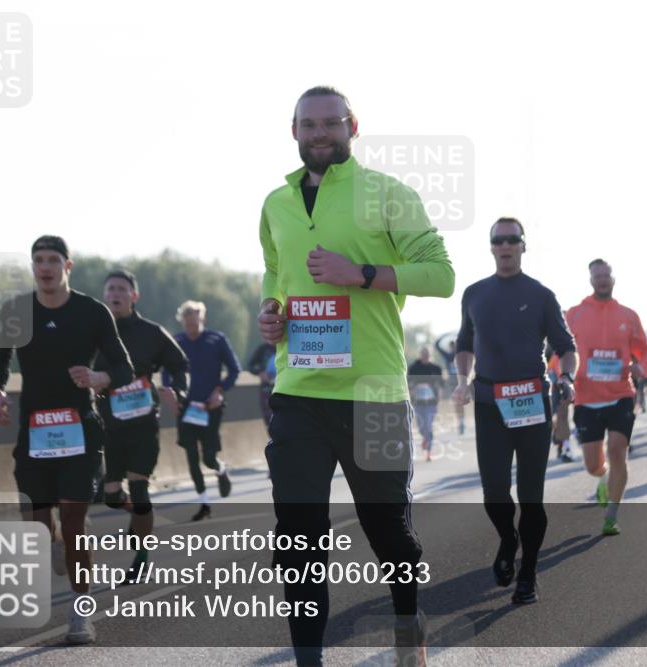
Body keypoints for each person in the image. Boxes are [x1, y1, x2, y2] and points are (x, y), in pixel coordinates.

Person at [257, 85, 454, 666]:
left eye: (331, 123)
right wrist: (271, 313)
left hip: (375, 393)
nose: (320, 133)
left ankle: (406, 626)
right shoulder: (274, 203)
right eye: (308, 124)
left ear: (352, 127)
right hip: (298, 392)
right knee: (299, 542)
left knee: (388, 532)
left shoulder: (387, 194)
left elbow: (440, 275)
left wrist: (359, 272)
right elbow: (275, 271)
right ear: (293, 131)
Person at [0, 235, 135, 645]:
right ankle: (53, 539)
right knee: (39, 528)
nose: (45, 266)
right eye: (38, 260)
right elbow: (0, 360)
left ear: (67, 266)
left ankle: (80, 615)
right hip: (34, 432)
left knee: (74, 520)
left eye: (54, 259)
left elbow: (122, 368)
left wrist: (100, 378)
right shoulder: (17, 311)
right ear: (33, 266)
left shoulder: (92, 312)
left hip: (81, 430)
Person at [453, 217, 576, 604]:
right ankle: (509, 539)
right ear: (491, 247)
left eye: (512, 240)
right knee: (494, 494)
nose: (505, 246)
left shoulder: (541, 295)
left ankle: (528, 574)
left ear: (523, 246)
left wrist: (567, 377)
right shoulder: (474, 294)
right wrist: (462, 378)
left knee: (531, 496)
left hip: (532, 404)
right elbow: (464, 342)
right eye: (498, 240)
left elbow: (565, 345)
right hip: (490, 405)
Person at [93, 269, 188, 580]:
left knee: (138, 486)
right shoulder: (94, 333)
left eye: (122, 289)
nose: (115, 294)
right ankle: (141, 515)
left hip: (144, 423)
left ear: (134, 296)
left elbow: (179, 364)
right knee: (110, 495)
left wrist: (177, 389)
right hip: (109, 424)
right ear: (104, 295)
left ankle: (142, 556)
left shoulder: (151, 332)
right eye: (110, 289)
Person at [565, 259, 647, 536]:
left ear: (613, 279)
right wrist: (560, 377)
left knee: (618, 451)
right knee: (593, 464)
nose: (602, 280)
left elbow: (644, 352)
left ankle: (611, 515)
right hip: (585, 397)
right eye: (597, 276)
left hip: (620, 395)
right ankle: (602, 478)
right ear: (590, 280)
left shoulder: (628, 316)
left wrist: (642, 367)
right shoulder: (575, 314)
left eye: (606, 275)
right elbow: (560, 350)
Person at [164, 300, 240, 521]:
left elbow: (235, 370)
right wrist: (172, 395)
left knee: (208, 457)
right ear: (183, 322)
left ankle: (220, 469)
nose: (192, 329)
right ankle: (204, 503)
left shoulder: (217, 340)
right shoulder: (176, 342)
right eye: (188, 325)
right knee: (190, 455)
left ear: (202, 320)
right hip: (186, 407)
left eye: (195, 323)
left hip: (210, 406)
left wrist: (220, 390)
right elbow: (168, 373)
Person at [407, 346, 443, 462]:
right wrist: (413, 390)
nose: (425, 356)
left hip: (431, 403)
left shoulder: (436, 368)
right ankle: (425, 438)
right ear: (420, 355)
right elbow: (408, 383)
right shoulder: (413, 368)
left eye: (427, 354)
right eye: (423, 354)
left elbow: (441, 385)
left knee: (428, 426)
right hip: (418, 402)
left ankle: (428, 451)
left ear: (430, 355)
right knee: (422, 427)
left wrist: (438, 398)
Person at [548, 352, 575, 462]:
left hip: (569, 389)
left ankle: (562, 445)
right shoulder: (557, 356)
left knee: (562, 419)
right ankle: (564, 447)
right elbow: (549, 372)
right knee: (562, 419)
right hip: (561, 390)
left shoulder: (569, 353)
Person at [248, 341, 278, 429]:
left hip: (284, 391)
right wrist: (260, 372)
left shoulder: (288, 346)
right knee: (269, 420)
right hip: (266, 390)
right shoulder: (263, 348)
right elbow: (250, 365)